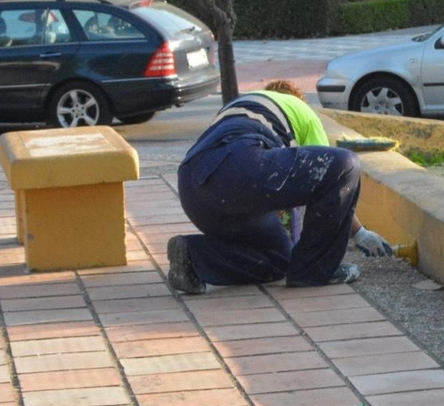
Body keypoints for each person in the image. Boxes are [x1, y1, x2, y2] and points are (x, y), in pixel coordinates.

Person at [166, 79, 392, 295]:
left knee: (278, 257)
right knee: (346, 164)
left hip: (193, 187)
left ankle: (193, 256)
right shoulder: (302, 111)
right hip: (239, 167)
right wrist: (359, 233)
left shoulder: (240, 107)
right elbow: (332, 178)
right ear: (297, 99)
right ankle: (315, 271)